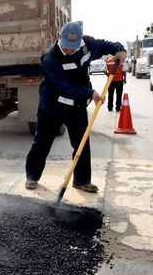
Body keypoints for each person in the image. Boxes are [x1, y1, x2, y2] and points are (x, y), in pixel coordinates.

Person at [24, 22, 127, 193]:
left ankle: (82, 180)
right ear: (60, 38)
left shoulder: (87, 45)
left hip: (76, 106)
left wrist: (119, 49)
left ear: (79, 40)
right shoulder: (51, 57)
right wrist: (90, 93)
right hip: (52, 106)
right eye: (67, 46)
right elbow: (64, 86)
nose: (71, 50)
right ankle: (32, 176)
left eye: (74, 46)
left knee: (82, 143)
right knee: (42, 142)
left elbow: (106, 45)